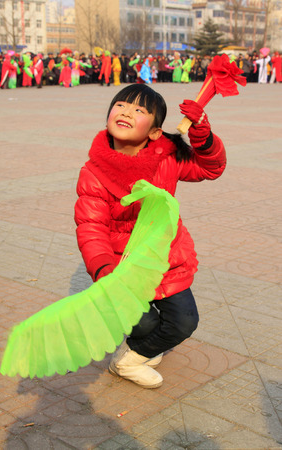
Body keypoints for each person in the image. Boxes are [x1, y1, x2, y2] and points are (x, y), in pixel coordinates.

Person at [74, 84, 226, 388]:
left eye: (139, 110)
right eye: (121, 105)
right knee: (146, 323)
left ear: (155, 132)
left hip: (163, 259)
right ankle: (137, 353)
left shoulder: (166, 157)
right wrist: (104, 271)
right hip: (122, 267)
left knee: (184, 322)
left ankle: (131, 357)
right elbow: (91, 227)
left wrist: (202, 133)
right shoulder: (94, 172)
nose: (127, 112)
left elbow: (210, 168)